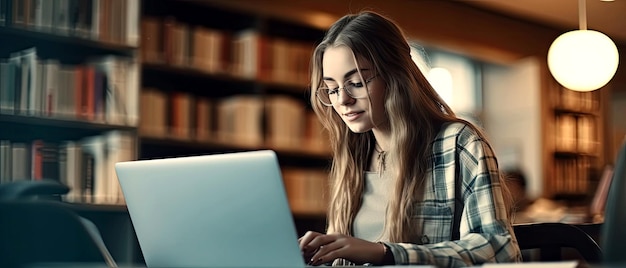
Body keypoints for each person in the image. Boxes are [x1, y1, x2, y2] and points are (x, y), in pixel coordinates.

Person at [298, 11, 522, 267]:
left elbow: (500, 250)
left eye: (357, 83)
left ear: (396, 75)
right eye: (332, 89)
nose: (342, 100)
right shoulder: (353, 157)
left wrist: (385, 253)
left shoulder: (458, 144)